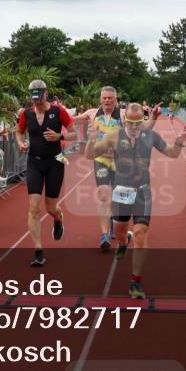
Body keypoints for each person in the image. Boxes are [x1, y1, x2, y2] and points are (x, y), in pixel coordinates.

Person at [93, 102, 185, 299]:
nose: (134, 127)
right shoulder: (115, 136)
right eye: (130, 123)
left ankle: (136, 282)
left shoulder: (150, 136)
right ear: (125, 120)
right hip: (122, 191)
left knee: (141, 233)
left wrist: (178, 143)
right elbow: (92, 153)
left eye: (138, 122)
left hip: (143, 191)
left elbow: (173, 153)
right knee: (119, 232)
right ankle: (124, 240)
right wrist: (92, 143)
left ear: (142, 121)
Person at [16, 79, 75, 267]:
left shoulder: (59, 112)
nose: (37, 103)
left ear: (46, 94)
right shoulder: (26, 114)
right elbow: (19, 132)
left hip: (55, 162)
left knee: (50, 208)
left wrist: (61, 136)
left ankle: (58, 218)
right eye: (33, 100)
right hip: (34, 162)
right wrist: (20, 143)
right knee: (34, 206)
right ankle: (38, 251)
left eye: (39, 99)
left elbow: (75, 134)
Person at [75, 86, 124, 250]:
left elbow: (142, 122)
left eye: (110, 98)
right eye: (104, 98)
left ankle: (112, 220)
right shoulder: (92, 113)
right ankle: (104, 235)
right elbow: (74, 119)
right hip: (100, 159)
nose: (107, 100)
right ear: (100, 99)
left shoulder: (122, 115)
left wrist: (149, 113)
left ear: (115, 99)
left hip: (119, 161)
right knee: (104, 195)